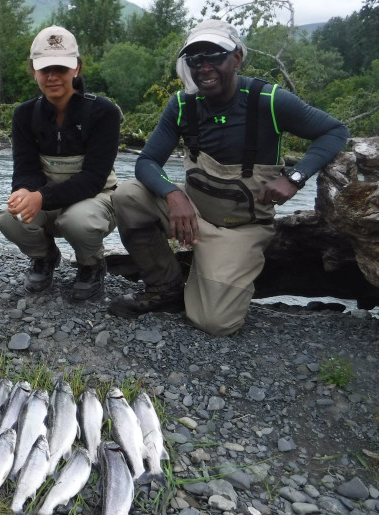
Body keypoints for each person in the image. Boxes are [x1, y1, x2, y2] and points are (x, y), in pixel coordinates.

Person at [108, 20, 349, 336]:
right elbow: (148, 162)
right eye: (195, 60)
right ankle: (164, 288)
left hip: (242, 229)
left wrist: (294, 178)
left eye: (214, 57)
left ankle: (212, 274)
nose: (204, 68)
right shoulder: (182, 105)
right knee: (127, 196)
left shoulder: (270, 101)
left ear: (236, 58)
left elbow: (335, 131)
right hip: (192, 214)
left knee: (215, 323)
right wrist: (173, 194)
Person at [0, 26, 120, 301]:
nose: (52, 77)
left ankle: (92, 263)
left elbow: (94, 178)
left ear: (77, 68)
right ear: (33, 71)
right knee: (7, 217)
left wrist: (40, 197)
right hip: (47, 200)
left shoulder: (104, 112)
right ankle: (45, 257)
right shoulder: (24, 114)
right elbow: (25, 169)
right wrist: (24, 191)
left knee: (78, 219)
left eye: (60, 68)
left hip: (95, 199)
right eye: (44, 68)